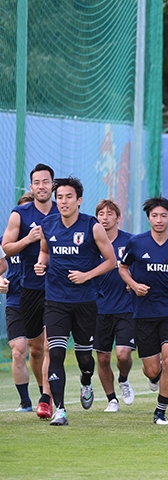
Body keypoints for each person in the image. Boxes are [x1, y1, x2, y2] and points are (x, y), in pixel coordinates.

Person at [35, 177, 117, 426]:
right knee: (56, 352)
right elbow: (45, 251)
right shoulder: (48, 225)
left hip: (85, 301)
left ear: (79, 200)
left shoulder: (92, 227)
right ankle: (59, 409)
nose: (63, 202)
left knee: (84, 358)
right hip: (56, 300)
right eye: (59, 197)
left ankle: (85, 380)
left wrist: (87, 275)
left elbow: (111, 261)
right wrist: (41, 263)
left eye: (68, 197)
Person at [119, 197, 168, 425]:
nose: (159, 220)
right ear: (149, 218)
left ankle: (161, 410)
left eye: (163, 216)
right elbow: (123, 268)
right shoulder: (136, 243)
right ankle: (155, 376)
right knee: (152, 369)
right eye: (155, 216)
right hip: (144, 311)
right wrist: (134, 285)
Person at [2, 164, 58, 419]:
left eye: (46, 182)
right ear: (32, 186)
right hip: (28, 290)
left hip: (58, 290)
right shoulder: (19, 215)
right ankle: (37, 394)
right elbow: (6, 248)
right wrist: (28, 239)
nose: (42, 186)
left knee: (50, 346)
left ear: (53, 185)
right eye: (37, 182)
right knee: (33, 349)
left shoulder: (65, 213)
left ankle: (46, 398)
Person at [93, 200, 135, 412]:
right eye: (101, 213)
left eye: (110, 213)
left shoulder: (130, 242)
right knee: (102, 357)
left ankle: (124, 378)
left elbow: (141, 266)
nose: (105, 217)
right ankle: (112, 399)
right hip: (99, 308)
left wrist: (134, 282)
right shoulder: (91, 243)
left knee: (123, 354)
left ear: (118, 218)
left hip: (126, 308)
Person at [0, 191, 33, 412]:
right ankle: (25, 401)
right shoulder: (7, 241)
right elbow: (2, 267)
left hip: (45, 299)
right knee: (18, 350)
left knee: (44, 352)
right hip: (15, 299)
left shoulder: (49, 238)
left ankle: (48, 398)